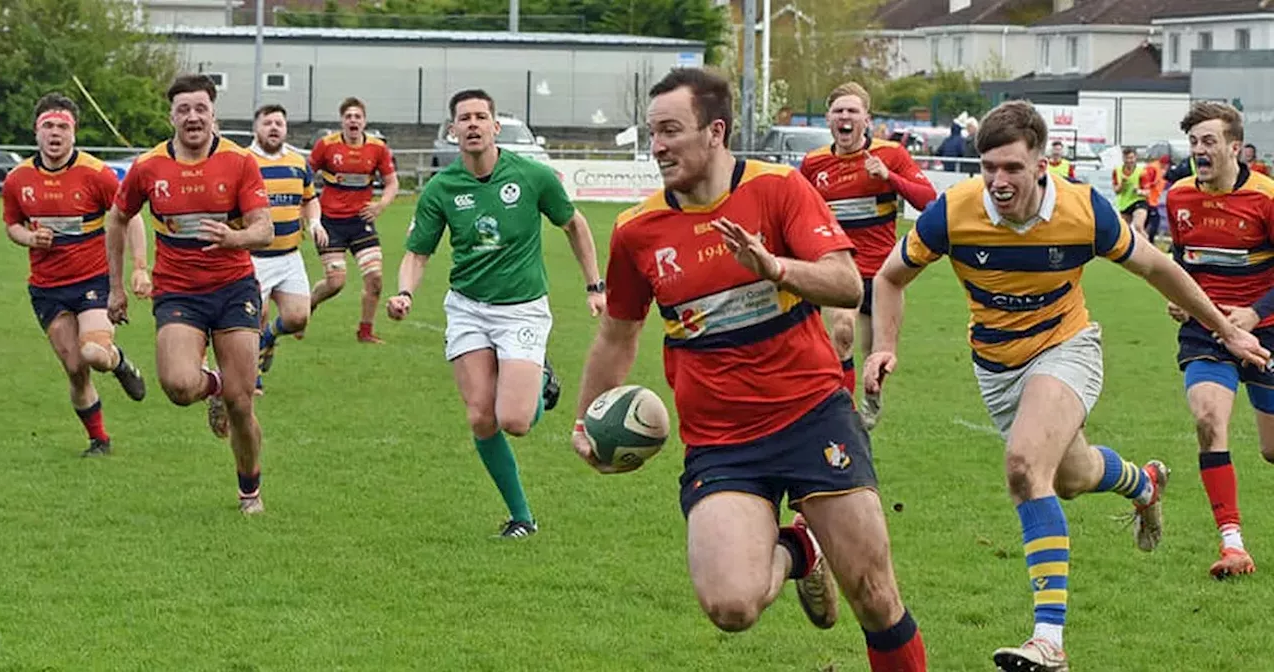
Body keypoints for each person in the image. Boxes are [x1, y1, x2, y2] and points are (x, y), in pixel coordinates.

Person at [863, 99, 1270, 671]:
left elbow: (1158, 268)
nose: (998, 182)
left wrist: (1225, 329)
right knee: (1071, 477)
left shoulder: (1083, 211)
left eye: (1012, 169)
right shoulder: (952, 212)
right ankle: (1142, 483)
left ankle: (1048, 639)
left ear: (1041, 164)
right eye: (989, 169)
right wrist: (885, 347)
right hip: (995, 365)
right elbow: (890, 277)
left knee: (1025, 466)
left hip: (1067, 347)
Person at [571, 67, 927, 671]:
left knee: (873, 594)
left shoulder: (778, 188)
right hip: (720, 441)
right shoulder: (636, 231)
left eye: (671, 131)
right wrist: (586, 422)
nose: (657, 145)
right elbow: (617, 334)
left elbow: (846, 283)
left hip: (812, 416)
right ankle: (797, 549)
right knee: (731, 605)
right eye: (653, 132)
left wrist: (776, 268)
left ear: (715, 131)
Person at [387, 88, 605, 539]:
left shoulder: (531, 175)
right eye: (463, 118)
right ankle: (521, 517)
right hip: (467, 309)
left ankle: (540, 381)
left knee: (515, 421)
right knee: (480, 417)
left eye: (480, 117)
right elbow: (418, 253)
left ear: (494, 126)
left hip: (522, 310)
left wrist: (594, 286)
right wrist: (404, 292)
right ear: (452, 130)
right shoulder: (441, 188)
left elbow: (574, 224)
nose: (472, 124)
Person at [105, 74, 275, 514]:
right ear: (172, 116)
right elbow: (117, 218)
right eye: (184, 110)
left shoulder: (239, 162)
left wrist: (234, 239)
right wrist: (117, 285)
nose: (193, 117)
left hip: (234, 288)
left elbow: (263, 228)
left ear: (213, 113)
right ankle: (214, 384)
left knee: (241, 405)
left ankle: (249, 491)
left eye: (201, 108)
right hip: (179, 291)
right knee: (180, 387)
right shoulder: (149, 167)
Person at [2, 92, 149, 457]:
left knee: (95, 353)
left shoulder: (96, 174)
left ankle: (119, 362)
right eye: (48, 126)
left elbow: (131, 217)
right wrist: (30, 237)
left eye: (62, 127)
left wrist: (140, 268)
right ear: (36, 132)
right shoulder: (18, 179)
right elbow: (12, 225)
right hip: (47, 288)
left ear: (74, 132)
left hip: (93, 281)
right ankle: (99, 440)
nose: (55, 133)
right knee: (74, 367)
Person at [1165, 102, 1274, 580]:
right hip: (1207, 330)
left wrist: (1253, 314)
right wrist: (1182, 297)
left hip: (1265, 330)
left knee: (1272, 450)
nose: (1199, 151)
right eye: (1193, 142)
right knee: (1209, 418)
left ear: (1234, 146)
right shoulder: (1179, 196)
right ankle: (1232, 544)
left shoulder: (1267, 197)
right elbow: (1182, 262)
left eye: (1208, 141)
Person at [799, 81, 936, 430]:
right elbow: (794, 211)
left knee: (876, 356)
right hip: (839, 267)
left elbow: (929, 201)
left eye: (852, 111)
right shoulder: (813, 164)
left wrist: (889, 177)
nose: (845, 117)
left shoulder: (891, 155)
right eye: (838, 111)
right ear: (829, 119)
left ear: (867, 120)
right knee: (842, 333)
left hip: (884, 275)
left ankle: (872, 394)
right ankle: (842, 416)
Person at [307, 97, 398, 344]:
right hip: (330, 223)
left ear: (364, 121)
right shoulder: (326, 145)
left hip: (360, 222)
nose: (353, 120)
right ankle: (309, 303)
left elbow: (392, 182)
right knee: (336, 282)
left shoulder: (377, 148)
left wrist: (380, 205)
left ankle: (365, 332)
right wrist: (308, 209)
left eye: (358, 116)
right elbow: (305, 176)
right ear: (342, 121)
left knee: (376, 279)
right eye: (349, 116)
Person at [249, 104, 323, 394]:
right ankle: (252, 374)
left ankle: (268, 339)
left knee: (298, 318)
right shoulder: (244, 161)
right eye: (268, 123)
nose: (274, 128)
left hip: (290, 256)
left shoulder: (298, 162)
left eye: (279, 122)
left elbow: (310, 198)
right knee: (257, 313)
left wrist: (315, 223)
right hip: (254, 256)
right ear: (256, 128)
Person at [1112, 146, 1152, 238]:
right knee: (1124, 231)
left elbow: (1148, 192)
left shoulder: (1142, 172)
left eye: (1131, 158)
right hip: (1124, 204)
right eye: (1127, 158)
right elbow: (1116, 191)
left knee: (1138, 227)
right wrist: (1122, 184)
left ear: (1135, 158)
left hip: (1139, 201)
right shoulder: (1117, 171)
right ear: (1123, 158)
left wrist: (1138, 191)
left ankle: (1147, 248)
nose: (1129, 161)